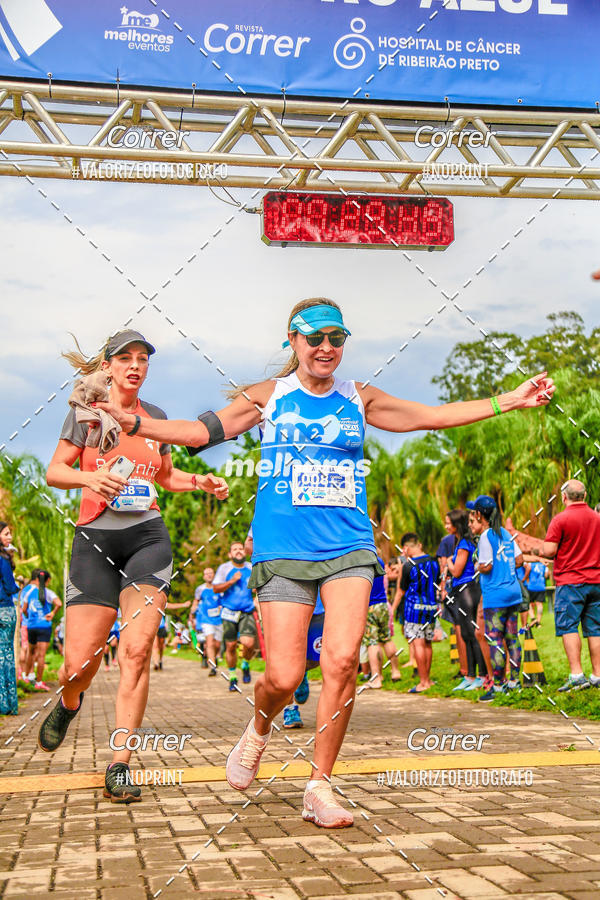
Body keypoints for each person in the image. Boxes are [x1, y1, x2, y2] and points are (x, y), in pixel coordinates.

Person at [97, 297, 555, 826]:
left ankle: (320, 784)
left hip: (350, 549)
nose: (325, 348)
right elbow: (201, 432)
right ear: (292, 341)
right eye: (314, 338)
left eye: (336, 338)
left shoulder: (359, 398)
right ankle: (259, 729)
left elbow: (433, 418)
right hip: (284, 551)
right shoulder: (270, 397)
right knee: (284, 676)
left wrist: (511, 400)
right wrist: (135, 423)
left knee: (340, 661)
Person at [37, 329, 229, 803]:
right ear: (109, 365)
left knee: (138, 650)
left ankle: (120, 764)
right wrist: (90, 476)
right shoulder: (87, 413)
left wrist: (198, 481)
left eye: (143, 358)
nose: (136, 365)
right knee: (79, 663)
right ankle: (69, 700)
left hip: (147, 538)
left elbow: (164, 476)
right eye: (126, 357)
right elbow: (54, 471)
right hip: (95, 539)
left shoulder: (155, 418)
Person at [540, 479, 600, 693]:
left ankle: (577, 675)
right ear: (584, 496)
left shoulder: (560, 519)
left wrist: (540, 549)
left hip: (570, 582)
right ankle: (597, 675)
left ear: (564, 497)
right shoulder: (597, 518)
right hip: (596, 582)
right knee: (595, 628)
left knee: (568, 626)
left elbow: (549, 551)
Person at [468, 496, 523, 702]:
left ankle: (498, 686)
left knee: (496, 640)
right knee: (512, 638)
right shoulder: (506, 533)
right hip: (513, 592)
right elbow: (519, 560)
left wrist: (477, 566)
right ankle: (515, 683)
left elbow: (487, 565)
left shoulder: (485, 536)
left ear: (480, 515)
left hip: (495, 595)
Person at [445, 510, 487, 692]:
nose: (446, 526)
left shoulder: (463, 544)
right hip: (461, 591)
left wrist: (448, 562)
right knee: (465, 634)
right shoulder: (460, 542)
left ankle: (481, 675)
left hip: (467, 589)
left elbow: (457, 571)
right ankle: (470, 675)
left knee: (471, 633)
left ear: (456, 524)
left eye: (448, 523)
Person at [392, 534, 439, 693]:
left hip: (413, 609)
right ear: (419, 544)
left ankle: (423, 681)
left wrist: (392, 610)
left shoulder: (408, 566)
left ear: (406, 548)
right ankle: (429, 679)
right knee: (427, 643)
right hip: (431, 607)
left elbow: (400, 591)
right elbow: (437, 583)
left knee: (418, 644)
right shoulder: (434, 562)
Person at [213, 542, 256, 692]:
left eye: (241, 549)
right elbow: (216, 588)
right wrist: (232, 581)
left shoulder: (251, 567)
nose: (238, 551)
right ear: (230, 554)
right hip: (229, 611)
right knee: (230, 645)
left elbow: (258, 588)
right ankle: (232, 676)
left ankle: (245, 663)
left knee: (249, 643)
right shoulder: (224, 568)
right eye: (235, 549)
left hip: (247, 611)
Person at [362, 555, 402, 689]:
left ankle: (376, 678)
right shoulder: (379, 559)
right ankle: (395, 671)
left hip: (370, 606)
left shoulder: (362, 560)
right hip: (383, 604)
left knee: (372, 642)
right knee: (387, 639)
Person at [438, 514, 468, 679]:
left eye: (448, 523)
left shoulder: (452, 541)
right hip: (460, 587)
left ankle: (465, 670)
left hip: (458, 587)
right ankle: (466, 670)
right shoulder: (464, 540)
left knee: (459, 628)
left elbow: (444, 567)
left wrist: (443, 588)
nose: (446, 526)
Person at [21, 569, 62, 691]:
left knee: (30, 652)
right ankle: (38, 682)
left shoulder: (29, 592)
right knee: (41, 655)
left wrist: (30, 618)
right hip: (44, 626)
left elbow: (24, 610)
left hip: (32, 626)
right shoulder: (49, 592)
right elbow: (59, 603)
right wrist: (52, 613)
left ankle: (26, 677)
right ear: (47, 580)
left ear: (37, 579)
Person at [0, 521, 19, 715]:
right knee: (6, 655)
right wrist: (18, 586)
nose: (10, 537)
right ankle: (8, 704)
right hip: (4, 609)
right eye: (6, 534)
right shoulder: (3, 558)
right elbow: (9, 585)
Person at [190, 566, 223, 676]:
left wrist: (221, 607)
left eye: (211, 573)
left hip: (219, 620)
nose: (209, 575)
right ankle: (213, 667)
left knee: (217, 644)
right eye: (206, 573)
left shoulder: (219, 587)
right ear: (204, 577)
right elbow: (196, 601)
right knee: (209, 642)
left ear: (214, 575)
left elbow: (223, 601)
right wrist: (193, 610)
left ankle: (213, 658)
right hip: (206, 620)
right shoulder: (200, 589)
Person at [526, 558, 549, 627]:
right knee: (539, 604)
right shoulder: (544, 564)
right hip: (541, 586)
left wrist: (526, 579)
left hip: (531, 586)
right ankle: (538, 622)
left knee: (530, 603)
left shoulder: (530, 563)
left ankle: (533, 618)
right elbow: (546, 575)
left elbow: (527, 571)